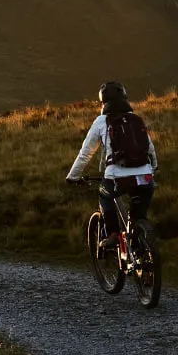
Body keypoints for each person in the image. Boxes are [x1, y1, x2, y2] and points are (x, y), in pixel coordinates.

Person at [65, 81, 157, 241]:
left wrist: (72, 177)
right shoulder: (136, 120)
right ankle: (141, 242)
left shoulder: (101, 121)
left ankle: (113, 234)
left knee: (105, 195)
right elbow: (150, 148)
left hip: (116, 177)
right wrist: (154, 167)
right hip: (146, 177)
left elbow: (85, 154)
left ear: (103, 102)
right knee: (138, 215)